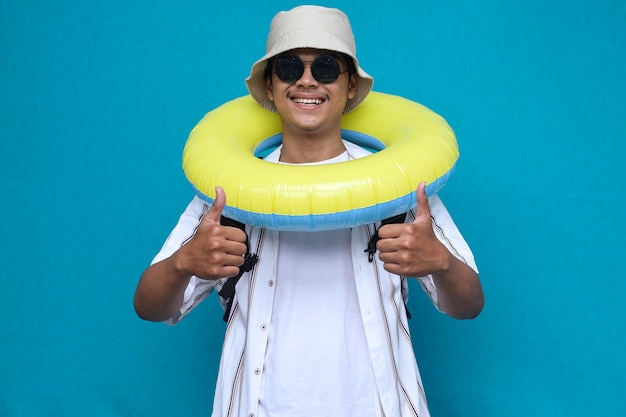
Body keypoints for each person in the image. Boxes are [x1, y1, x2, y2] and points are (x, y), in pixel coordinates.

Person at [134, 5, 484, 417]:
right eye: (288, 67)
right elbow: (150, 307)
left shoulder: (402, 188)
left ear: (351, 85)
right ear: (270, 84)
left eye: (325, 67)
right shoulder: (230, 192)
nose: (306, 80)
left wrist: (441, 262)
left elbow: (469, 305)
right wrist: (183, 263)